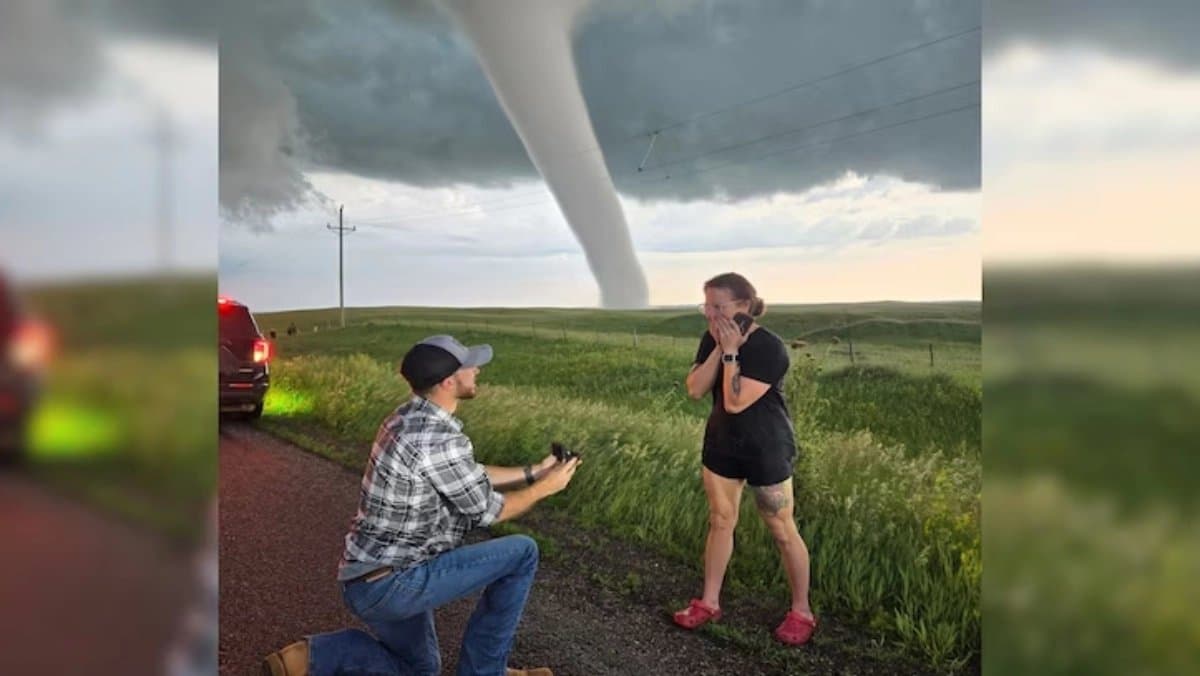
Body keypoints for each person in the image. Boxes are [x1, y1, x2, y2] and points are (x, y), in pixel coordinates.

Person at [262, 335, 580, 676]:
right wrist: (548, 487)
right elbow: (490, 511)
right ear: (448, 381)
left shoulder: (406, 417)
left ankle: (309, 659)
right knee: (523, 553)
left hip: (365, 576)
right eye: (468, 366)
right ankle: (486, 672)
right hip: (393, 584)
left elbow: (465, 473)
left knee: (420, 670)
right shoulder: (438, 439)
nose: (477, 371)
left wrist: (533, 472)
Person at [672, 273, 817, 646]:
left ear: (744, 307)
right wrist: (720, 346)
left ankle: (801, 611)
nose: (709, 313)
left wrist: (733, 350)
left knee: (782, 529)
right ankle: (709, 602)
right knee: (720, 520)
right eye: (706, 305)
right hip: (722, 445)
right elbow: (695, 389)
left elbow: (736, 400)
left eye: (717, 306)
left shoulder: (770, 348)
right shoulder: (712, 338)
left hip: (766, 449)